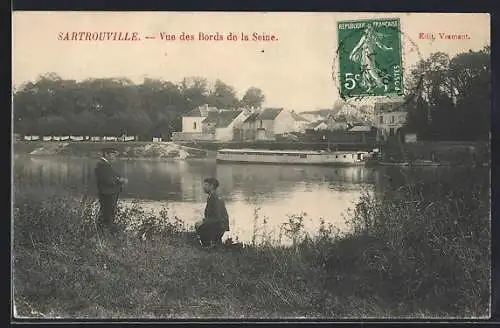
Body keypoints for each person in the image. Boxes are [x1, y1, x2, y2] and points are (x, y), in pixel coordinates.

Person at [94, 147, 126, 228]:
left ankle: (104, 233)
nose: (114, 157)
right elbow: (107, 180)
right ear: (106, 154)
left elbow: (112, 176)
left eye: (115, 155)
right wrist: (119, 181)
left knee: (107, 216)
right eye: (112, 155)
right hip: (107, 194)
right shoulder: (102, 165)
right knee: (107, 216)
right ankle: (104, 234)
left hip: (108, 193)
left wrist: (118, 178)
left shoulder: (105, 165)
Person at [195, 178, 230, 247]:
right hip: (218, 224)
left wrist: (203, 221)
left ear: (212, 186)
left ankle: (207, 247)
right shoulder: (211, 197)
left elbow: (218, 218)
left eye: (206, 185)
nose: (203, 187)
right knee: (200, 225)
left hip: (220, 225)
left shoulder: (215, 198)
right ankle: (213, 245)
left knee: (200, 226)